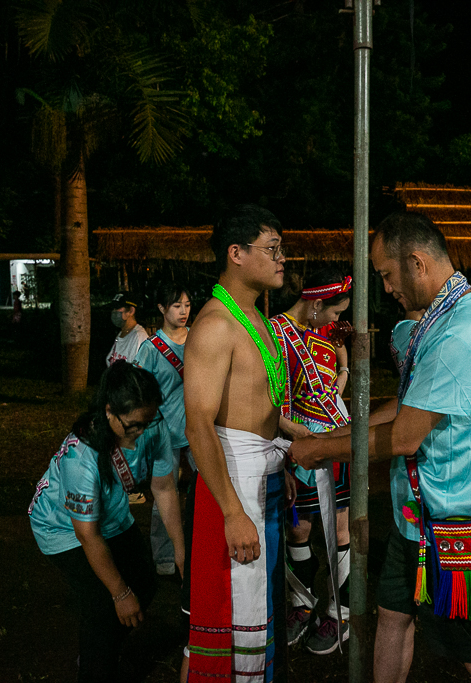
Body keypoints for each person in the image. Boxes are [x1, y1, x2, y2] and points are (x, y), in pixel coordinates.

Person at [292, 211, 471, 683]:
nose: (386, 287)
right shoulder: (443, 319)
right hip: (419, 514)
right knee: (393, 614)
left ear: (416, 263)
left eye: (387, 275)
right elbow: (409, 405)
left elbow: (407, 434)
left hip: (451, 520)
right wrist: (329, 439)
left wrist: (322, 450)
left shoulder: (458, 333)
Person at [183, 204, 292, 683]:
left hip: (262, 482)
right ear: (237, 254)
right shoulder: (215, 325)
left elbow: (256, 406)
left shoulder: (258, 320)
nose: (282, 258)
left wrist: (283, 458)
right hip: (231, 492)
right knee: (231, 613)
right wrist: (231, 511)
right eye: (272, 249)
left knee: (262, 606)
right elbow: (198, 425)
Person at [28, 360, 185, 683]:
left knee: (143, 581)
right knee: (104, 602)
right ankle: (95, 667)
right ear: (109, 411)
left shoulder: (150, 423)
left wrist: (181, 550)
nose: (141, 433)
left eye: (147, 421)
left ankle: (103, 649)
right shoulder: (80, 458)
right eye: (133, 426)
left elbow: (164, 487)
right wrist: (119, 594)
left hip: (112, 515)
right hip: (62, 529)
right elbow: (88, 536)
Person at [270, 267, 353, 654]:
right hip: (295, 446)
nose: (338, 321)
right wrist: (293, 439)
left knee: (339, 532)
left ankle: (342, 612)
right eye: (335, 313)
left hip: (334, 442)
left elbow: (340, 355)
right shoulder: (275, 334)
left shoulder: (323, 330)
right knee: (299, 530)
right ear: (317, 303)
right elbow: (267, 403)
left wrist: (346, 369)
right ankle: (302, 604)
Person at [134, 283, 193, 576]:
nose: (183, 311)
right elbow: (141, 392)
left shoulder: (199, 339)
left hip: (198, 430)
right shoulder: (149, 349)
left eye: (186, 305)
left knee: (210, 489)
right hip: (163, 433)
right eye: (176, 306)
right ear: (161, 309)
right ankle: (165, 557)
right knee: (164, 497)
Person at [106, 292, 149, 367]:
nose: (114, 311)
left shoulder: (139, 337)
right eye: (113, 308)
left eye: (117, 308)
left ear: (131, 311)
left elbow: (137, 372)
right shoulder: (121, 334)